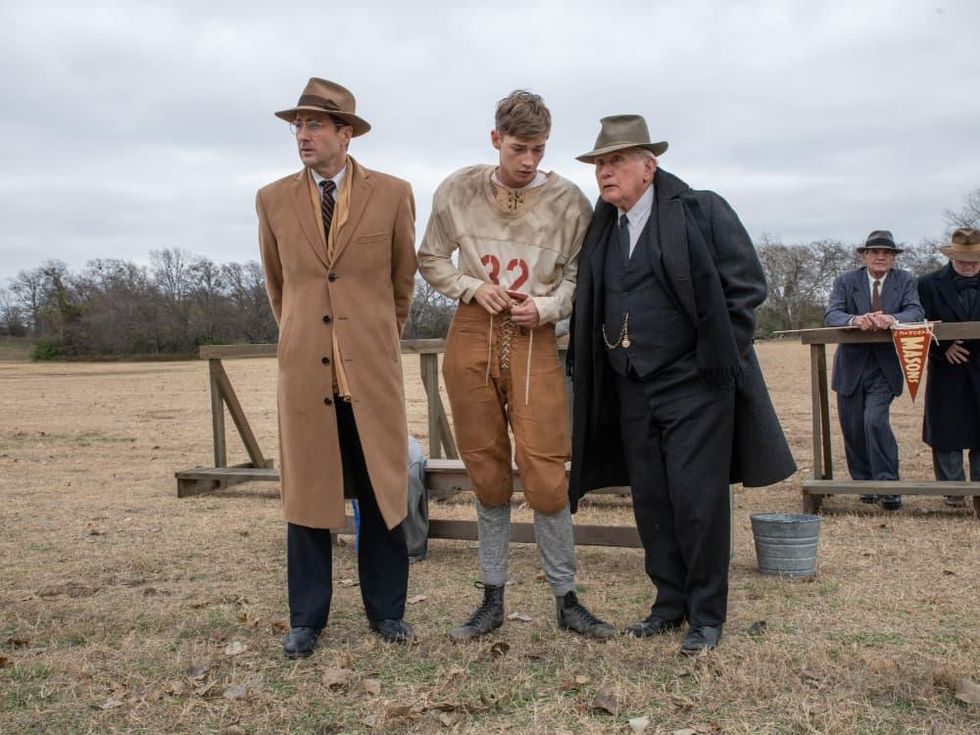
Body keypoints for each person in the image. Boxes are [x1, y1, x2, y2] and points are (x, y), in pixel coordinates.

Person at [568, 115, 795, 655]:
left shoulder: (701, 210)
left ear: (649, 166)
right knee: (652, 500)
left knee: (698, 500)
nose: (605, 173)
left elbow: (747, 289)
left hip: (696, 386)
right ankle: (668, 604)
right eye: (599, 163)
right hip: (630, 384)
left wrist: (717, 357)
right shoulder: (604, 228)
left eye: (616, 161)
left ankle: (707, 615)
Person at [417, 90, 614, 642]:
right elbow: (429, 257)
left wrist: (546, 307)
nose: (529, 160)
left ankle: (566, 598)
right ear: (495, 140)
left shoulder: (571, 202)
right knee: (485, 467)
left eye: (539, 149)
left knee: (548, 470)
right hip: (473, 332)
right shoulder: (458, 189)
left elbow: (579, 278)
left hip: (535, 339)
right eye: (519, 148)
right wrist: (473, 287)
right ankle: (492, 597)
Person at [256, 77, 417, 657]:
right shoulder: (271, 199)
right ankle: (307, 620)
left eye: (315, 125)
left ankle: (387, 612)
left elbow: (403, 283)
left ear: (345, 134)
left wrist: (370, 340)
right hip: (304, 372)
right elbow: (280, 288)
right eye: (297, 126)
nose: (302, 135)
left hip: (369, 371)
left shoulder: (394, 193)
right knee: (307, 496)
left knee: (381, 492)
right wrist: (305, 338)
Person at [825, 230, 924, 510]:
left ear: (893, 258)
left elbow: (915, 312)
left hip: (885, 366)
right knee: (854, 427)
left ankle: (889, 486)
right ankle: (865, 485)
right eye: (875, 252)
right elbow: (832, 314)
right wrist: (857, 319)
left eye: (887, 253)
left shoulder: (905, 280)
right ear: (864, 255)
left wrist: (891, 319)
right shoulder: (845, 281)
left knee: (874, 421)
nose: (881, 257)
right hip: (851, 366)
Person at [917, 227, 980, 505]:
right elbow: (918, 323)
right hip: (947, 370)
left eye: (975, 260)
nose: (969, 266)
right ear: (952, 257)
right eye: (963, 260)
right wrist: (942, 349)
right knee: (946, 430)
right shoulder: (928, 284)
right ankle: (953, 493)